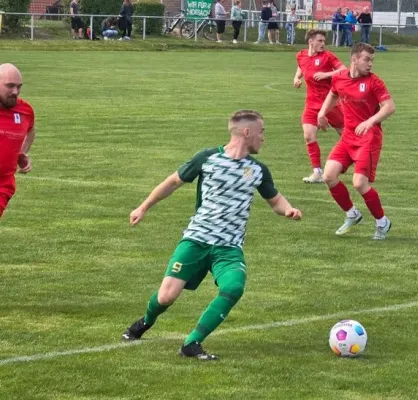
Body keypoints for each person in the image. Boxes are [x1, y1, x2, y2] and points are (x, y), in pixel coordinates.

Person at [122, 110, 302, 360]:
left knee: (234, 287)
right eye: (262, 132)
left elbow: (275, 201)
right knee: (165, 297)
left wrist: (288, 209)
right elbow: (173, 182)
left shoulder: (258, 170)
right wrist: (143, 207)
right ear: (246, 132)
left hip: (228, 248)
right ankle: (145, 322)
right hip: (196, 240)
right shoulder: (207, 158)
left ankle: (191, 343)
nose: (264, 138)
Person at [317, 43, 396, 239]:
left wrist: (370, 121)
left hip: (369, 138)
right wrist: (321, 113)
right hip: (348, 137)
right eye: (366, 60)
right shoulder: (340, 78)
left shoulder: (374, 82)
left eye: (372, 60)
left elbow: (389, 107)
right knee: (328, 176)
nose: (370, 64)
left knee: (359, 183)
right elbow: (333, 93)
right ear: (354, 59)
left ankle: (382, 222)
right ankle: (352, 214)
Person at [294, 29, 346, 184]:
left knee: (346, 135)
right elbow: (300, 68)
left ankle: (361, 163)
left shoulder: (328, 56)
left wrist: (326, 75)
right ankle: (317, 172)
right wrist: (297, 78)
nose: (323, 44)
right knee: (308, 136)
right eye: (320, 41)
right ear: (311, 41)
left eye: (324, 41)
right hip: (311, 104)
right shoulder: (301, 55)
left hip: (330, 103)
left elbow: (344, 70)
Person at [0, 64, 35, 219]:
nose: (15, 92)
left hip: (3, 185)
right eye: (10, 86)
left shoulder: (25, 111)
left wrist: (23, 151)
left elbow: (31, 129)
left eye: (18, 87)